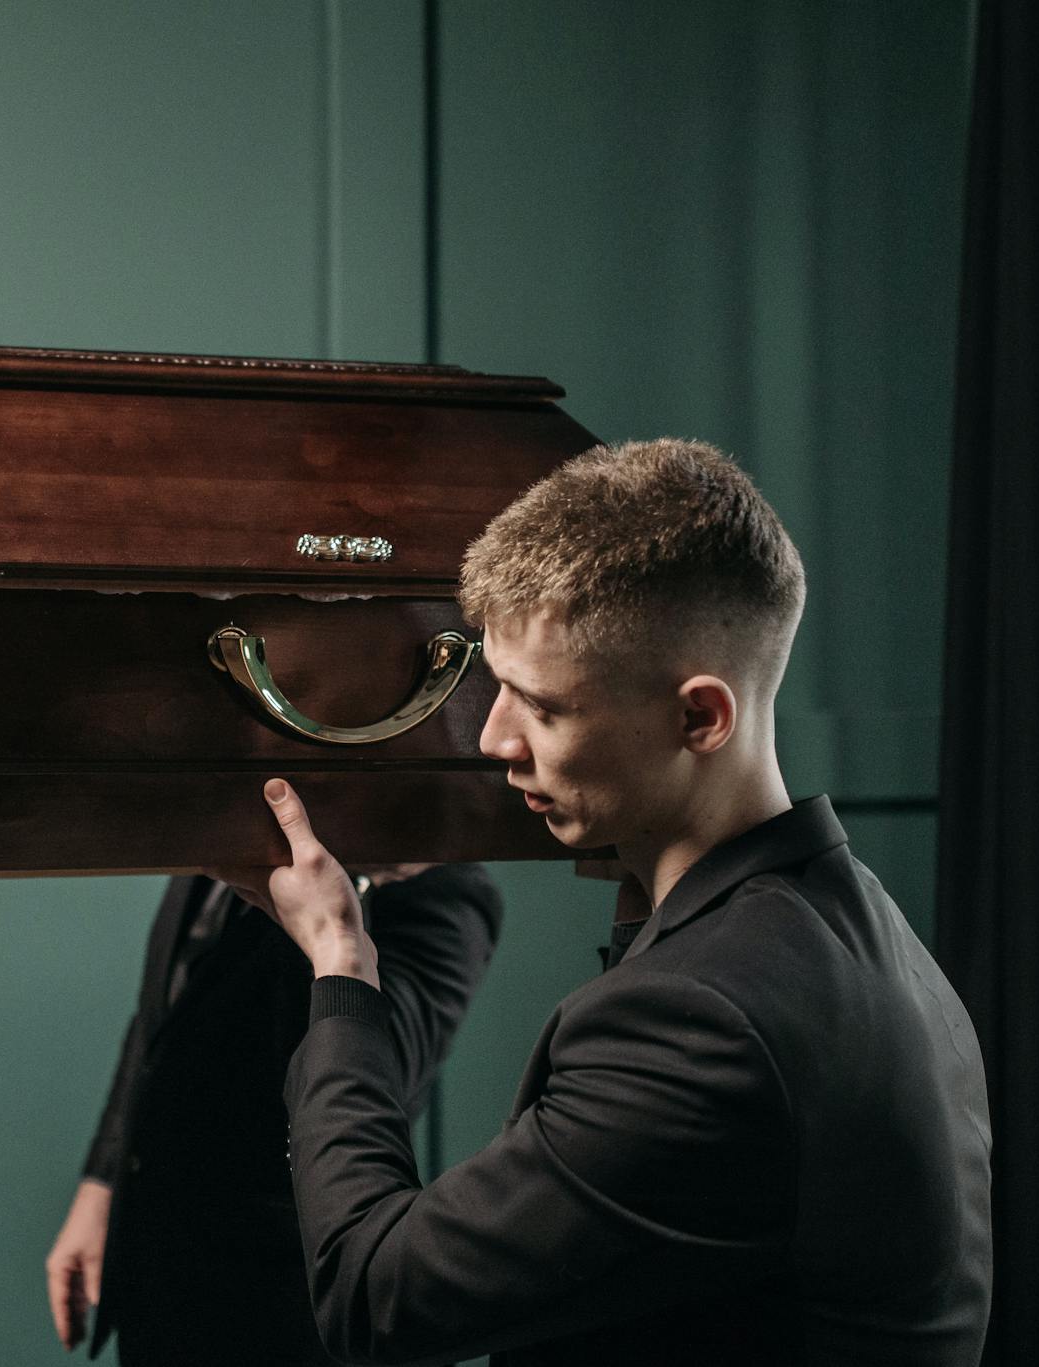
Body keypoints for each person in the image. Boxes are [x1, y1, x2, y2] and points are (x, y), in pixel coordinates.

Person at [221, 439, 992, 1365]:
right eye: (496, 689)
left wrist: (344, 964)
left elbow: (375, 1296)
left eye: (542, 706)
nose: (495, 740)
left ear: (700, 717)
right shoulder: (864, 926)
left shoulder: (699, 1023)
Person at [46, 863, 502, 1365]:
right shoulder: (216, 841)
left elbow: (369, 1078)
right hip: (158, 1270)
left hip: (279, 1303)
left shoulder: (445, 892)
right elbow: (162, 1017)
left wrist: (350, 888)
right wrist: (101, 1182)